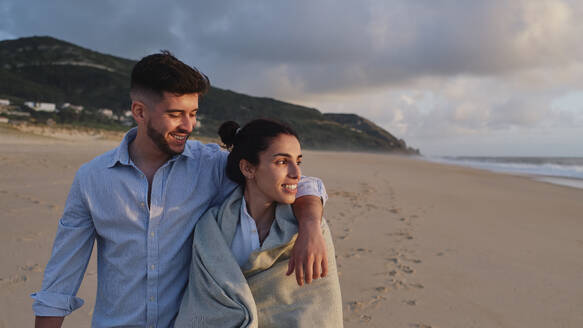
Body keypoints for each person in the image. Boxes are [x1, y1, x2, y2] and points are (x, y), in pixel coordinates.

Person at [31, 51, 329, 328]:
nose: (188, 126)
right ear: (139, 111)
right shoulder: (92, 179)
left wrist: (311, 224)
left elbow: (291, 181)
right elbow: (61, 278)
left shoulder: (210, 165)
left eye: (194, 113)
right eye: (175, 114)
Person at [174, 119, 343, 327]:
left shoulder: (311, 229)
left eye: (297, 162)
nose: (296, 173)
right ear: (248, 168)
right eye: (282, 162)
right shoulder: (211, 229)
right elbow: (201, 308)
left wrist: (310, 225)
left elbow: (321, 310)